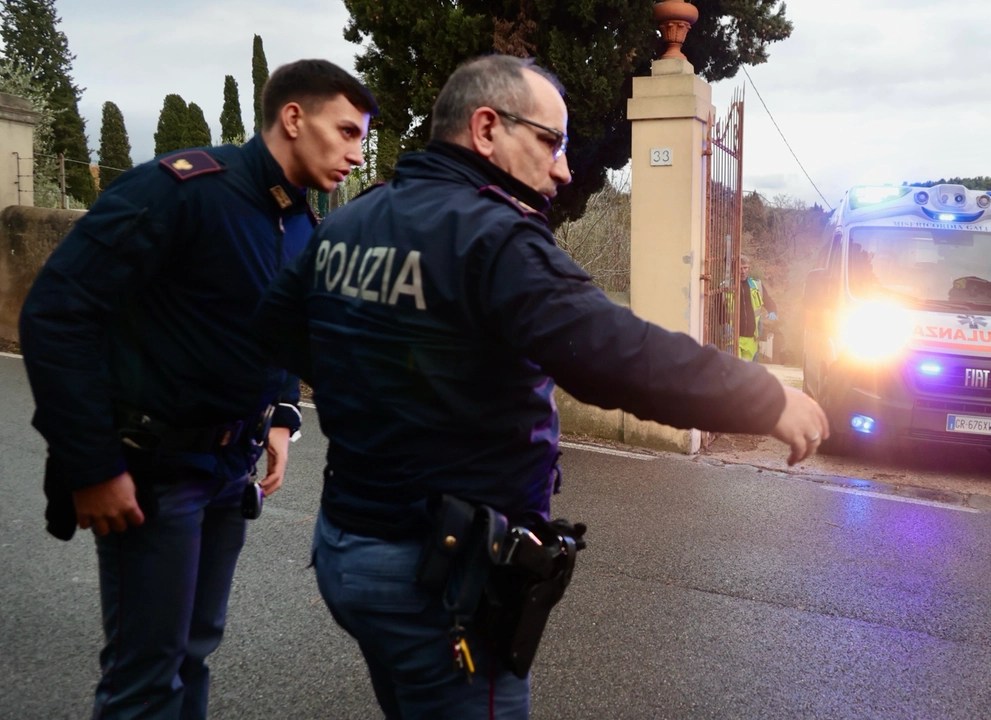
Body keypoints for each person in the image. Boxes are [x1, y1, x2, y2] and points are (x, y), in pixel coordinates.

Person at [252, 55, 829, 719]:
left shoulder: (353, 221)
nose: (562, 170)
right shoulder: (494, 239)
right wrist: (767, 397)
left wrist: (385, 390)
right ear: (487, 128)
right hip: (436, 577)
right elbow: (614, 354)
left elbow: (281, 327)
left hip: (347, 549)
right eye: (550, 143)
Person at [18, 60, 376, 720]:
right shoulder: (181, 190)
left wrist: (281, 414)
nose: (357, 154)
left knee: (192, 655)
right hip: (154, 471)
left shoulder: (300, 221)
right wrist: (90, 464)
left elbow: (270, 329)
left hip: (227, 470)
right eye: (347, 132)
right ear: (294, 118)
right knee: (146, 674)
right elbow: (56, 314)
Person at [737, 255, 778, 361]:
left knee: (747, 374)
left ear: (749, 268)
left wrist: (772, 311)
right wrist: (723, 324)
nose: (742, 271)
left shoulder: (757, 285)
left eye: (745, 268)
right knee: (734, 372)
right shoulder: (726, 286)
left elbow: (768, 301)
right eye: (740, 268)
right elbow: (718, 309)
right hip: (733, 338)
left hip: (751, 338)